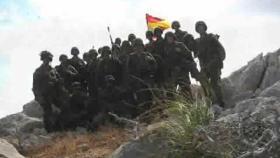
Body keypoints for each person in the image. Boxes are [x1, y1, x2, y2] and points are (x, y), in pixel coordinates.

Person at [195, 21, 226, 107]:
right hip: (204, 66)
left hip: (214, 64)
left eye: (201, 27)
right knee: (204, 83)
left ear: (204, 27)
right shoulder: (197, 41)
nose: (200, 29)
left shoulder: (211, 37)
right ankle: (210, 101)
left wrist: (219, 61)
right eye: (198, 28)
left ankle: (221, 102)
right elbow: (193, 50)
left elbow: (221, 49)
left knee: (215, 83)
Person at [163, 32, 199, 98]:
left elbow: (188, 54)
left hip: (182, 71)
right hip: (172, 73)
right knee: (170, 92)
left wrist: (180, 52)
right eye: (168, 37)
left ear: (173, 38)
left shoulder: (180, 45)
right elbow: (165, 62)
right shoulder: (165, 49)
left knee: (185, 90)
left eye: (171, 37)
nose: (169, 38)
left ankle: (189, 106)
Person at [126, 38, 157, 114]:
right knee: (140, 99)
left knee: (150, 97)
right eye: (136, 46)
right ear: (134, 48)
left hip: (147, 79)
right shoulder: (131, 57)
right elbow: (128, 70)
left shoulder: (147, 55)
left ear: (142, 47)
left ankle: (152, 112)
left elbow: (155, 66)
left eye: (140, 46)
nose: (138, 48)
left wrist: (150, 72)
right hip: (137, 81)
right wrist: (132, 80)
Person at [33, 51, 61, 132]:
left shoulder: (53, 70)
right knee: (48, 113)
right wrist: (39, 97)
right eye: (45, 58)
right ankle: (49, 130)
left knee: (58, 111)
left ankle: (58, 129)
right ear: (42, 59)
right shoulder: (38, 71)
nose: (47, 60)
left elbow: (59, 82)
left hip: (55, 94)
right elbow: (35, 86)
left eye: (48, 59)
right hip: (45, 95)